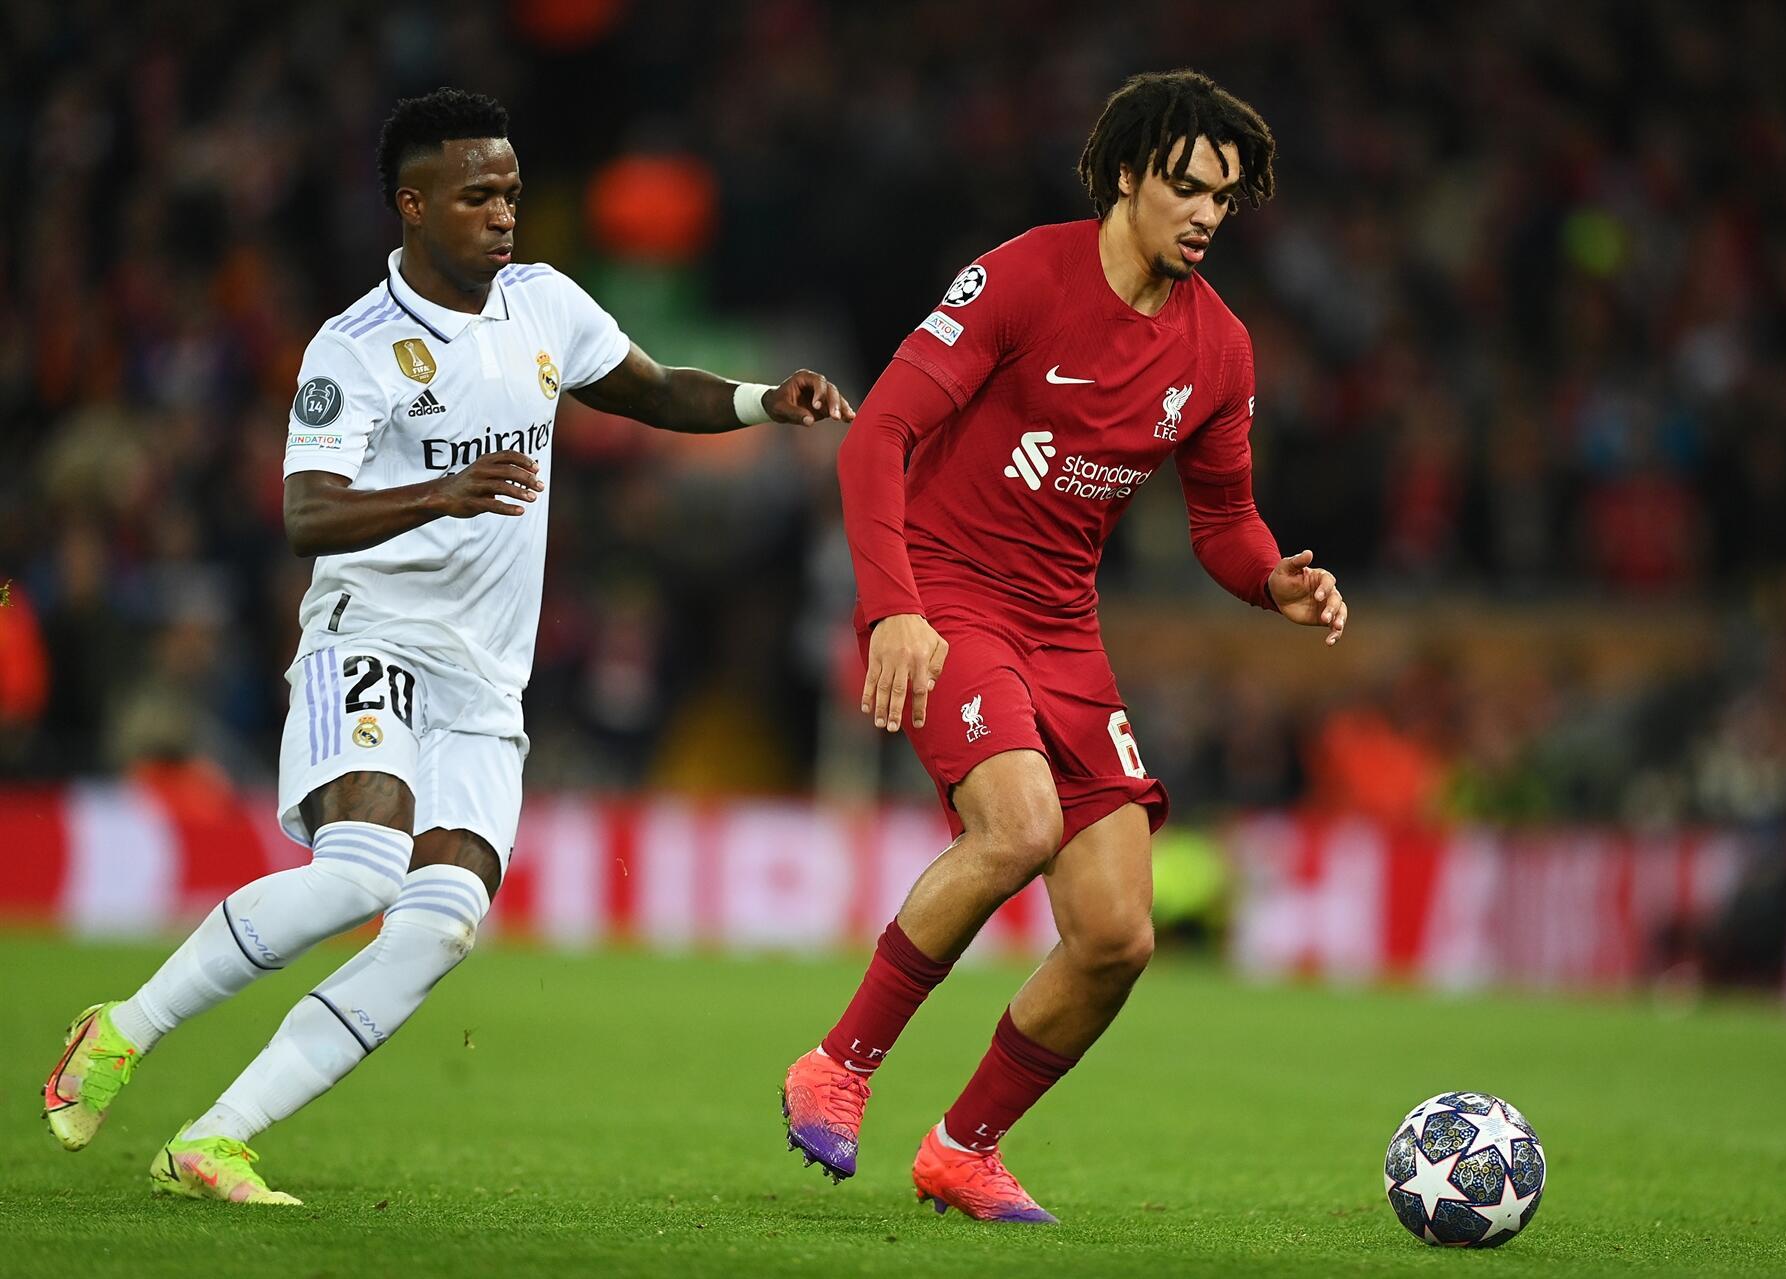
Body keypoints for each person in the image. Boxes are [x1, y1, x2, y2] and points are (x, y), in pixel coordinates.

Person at [42, 87, 853, 1205]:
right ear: (414, 207)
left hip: (488, 679)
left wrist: (768, 400)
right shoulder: (356, 349)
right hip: (368, 634)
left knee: (443, 921)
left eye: (513, 192)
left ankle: (215, 1138)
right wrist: (447, 490)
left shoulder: (544, 306)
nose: (504, 213)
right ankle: (122, 1029)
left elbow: (656, 390)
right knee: (363, 871)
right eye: (479, 195)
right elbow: (306, 515)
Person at [781, 69, 1347, 1223]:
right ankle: (837, 1064)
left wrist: (1274, 577)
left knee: (1117, 936)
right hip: (944, 593)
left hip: (1063, 630)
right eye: (1188, 188)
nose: (1206, 215)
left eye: (1226, 200)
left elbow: (1224, 523)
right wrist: (893, 606)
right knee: (1020, 825)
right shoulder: (1022, 276)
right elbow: (875, 436)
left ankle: (962, 1148)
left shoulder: (1220, 350)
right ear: (1130, 174)